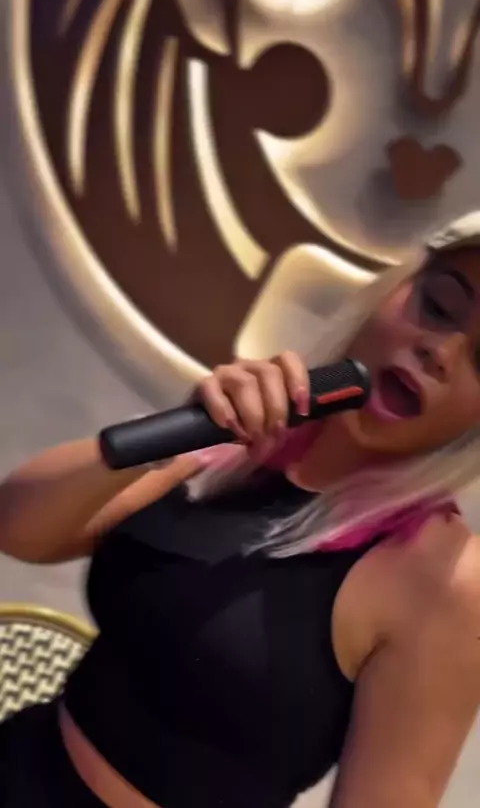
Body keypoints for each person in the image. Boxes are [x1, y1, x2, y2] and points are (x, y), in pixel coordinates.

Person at [1, 226, 480, 808]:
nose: (440, 351)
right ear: (393, 289)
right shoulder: (243, 441)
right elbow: (19, 528)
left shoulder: (448, 577)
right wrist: (180, 430)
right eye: (440, 306)